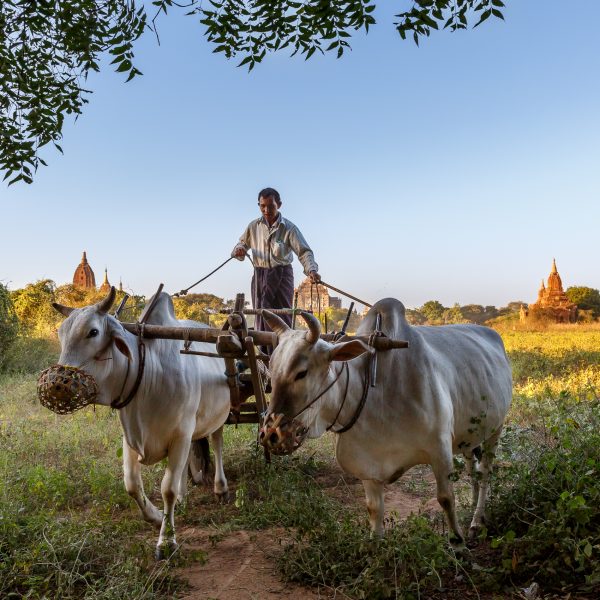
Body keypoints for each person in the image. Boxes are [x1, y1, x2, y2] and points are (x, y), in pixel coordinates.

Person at [232, 187, 321, 332]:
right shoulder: (253, 226)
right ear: (259, 205)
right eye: (263, 206)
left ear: (279, 205)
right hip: (260, 277)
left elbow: (304, 252)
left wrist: (311, 270)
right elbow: (241, 244)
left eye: (271, 206)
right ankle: (263, 350)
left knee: (283, 315)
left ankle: (282, 350)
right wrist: (239, 250)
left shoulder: (289, 228)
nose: (266, 210)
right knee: (261, 313)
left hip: (282, 276)